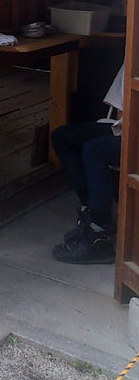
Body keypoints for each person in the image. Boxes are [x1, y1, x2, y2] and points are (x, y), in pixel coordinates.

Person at [51, 62, 124, 265]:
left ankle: (99, 237)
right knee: (62, 137)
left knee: (95, 150)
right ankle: (91, 210)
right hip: (126, 128)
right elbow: (121, 107)